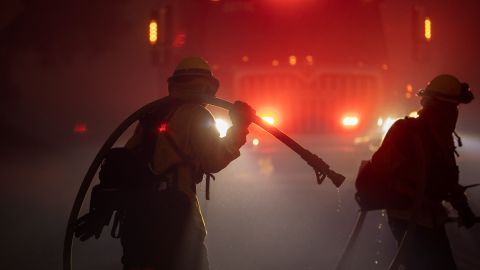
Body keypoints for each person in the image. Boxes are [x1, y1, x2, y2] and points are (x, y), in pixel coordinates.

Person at [76, 56, 255, 270]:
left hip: (137, 218)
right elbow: (213, 159)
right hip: (174, 215)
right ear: (208, 86)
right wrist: (239, 128)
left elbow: (126, 161)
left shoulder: (152, 116)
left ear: (174, 85)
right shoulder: (197, 114)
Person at [371, 74, 476, 270]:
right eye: (451, 108)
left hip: (430, 219)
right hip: (407, 219)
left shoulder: (442, 138)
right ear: (438, 107)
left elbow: (447, 179)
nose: (454, 114)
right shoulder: (407, 132)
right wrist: (410, 191)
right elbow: (380, 168)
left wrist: (463, 209)